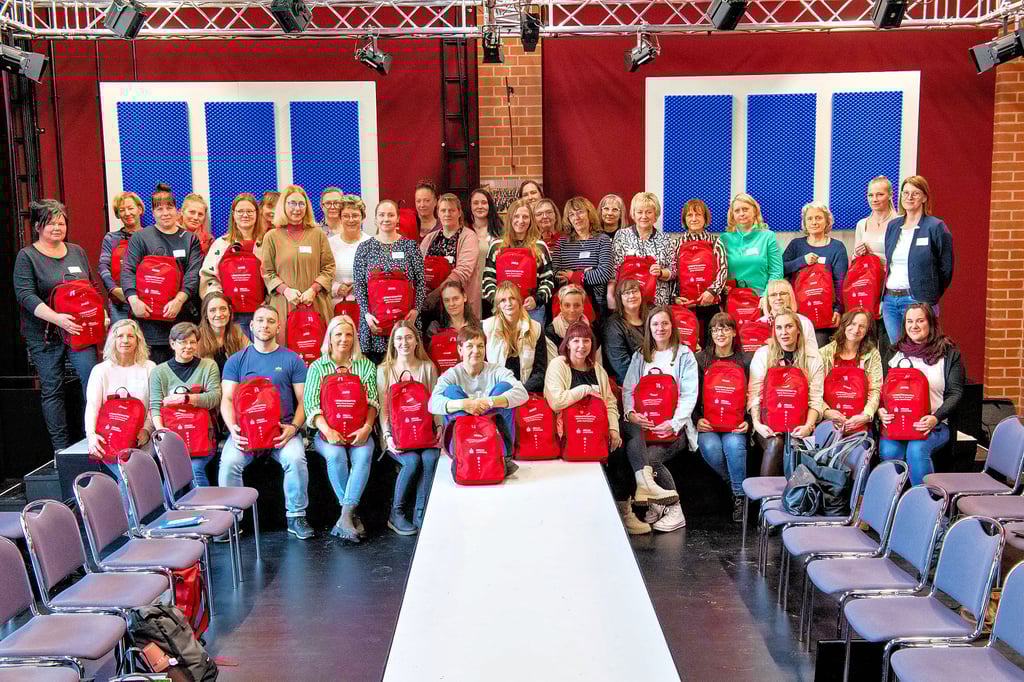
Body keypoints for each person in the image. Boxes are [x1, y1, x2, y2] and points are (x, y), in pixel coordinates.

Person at [219, 305, 313, 540]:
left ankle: (296, 516)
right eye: (260, 320)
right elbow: (227, 399)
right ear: (251, 325)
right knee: (229, 462)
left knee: (296, 459)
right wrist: (233, 430)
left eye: (271, 321)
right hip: (246, 432)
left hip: (282, 432)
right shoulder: (236, 361)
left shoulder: (292, 359)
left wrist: (294, 428)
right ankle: (231, 521)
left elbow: (304, 400)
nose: (265, 325)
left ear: (278, 327)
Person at [14, 199, 100, 451]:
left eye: (61, 223)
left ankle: (92, 440)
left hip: (80, 332)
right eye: (50, 223)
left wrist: (100, 313)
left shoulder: (77, 251)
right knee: (53, 389)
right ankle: (60, 449)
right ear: (38, 227)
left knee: (91, 381)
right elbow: (25, 296)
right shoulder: (27, 256)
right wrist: (57, 318)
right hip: (45, 335)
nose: (57, 228)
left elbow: (92, 286)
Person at [544, 322, 643, 534]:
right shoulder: (558, 365)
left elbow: (610, 403)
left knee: (628, 435)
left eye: (586, 340)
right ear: (567, 344)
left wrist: (613, 429)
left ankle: (631, 501)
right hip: (569, 433)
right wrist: (586, 389)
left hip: (596, 428)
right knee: (618, 450)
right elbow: (556, 402)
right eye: (576, 340)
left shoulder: (597, 368)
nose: (581, 345)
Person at [622, 306, 698, 532]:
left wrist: (674, 423)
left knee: (650, 460)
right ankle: (657, 505)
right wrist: (631, 414)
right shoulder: (640, 355)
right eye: (655, 324)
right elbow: (629, 389)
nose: (660, 328)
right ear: (648, 327)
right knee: (636, 455)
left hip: (674, 429)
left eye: (665, 323)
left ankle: (675, 509)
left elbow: (689, 394)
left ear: (672, 326)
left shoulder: (684, 355)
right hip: (645, 428)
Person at [304, 315, 379, 542]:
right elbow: (311, 405)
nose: (343, 339)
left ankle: (344, 517)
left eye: (348, 334)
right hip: (326, 432)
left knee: (364, 454)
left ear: (355, 338)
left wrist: (367, 428)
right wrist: (328, 431)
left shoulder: (365, 366)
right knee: (336, 455)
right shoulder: (317, 367)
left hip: (360, 430)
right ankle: (351, 515)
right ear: (329, 337)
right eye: (338, 334)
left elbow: (372, 402)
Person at [879, 303, 963, 485]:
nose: (914, 326)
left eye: (920, 321)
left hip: (933, 425)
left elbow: (955, 393)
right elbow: (881, 388)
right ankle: (894, 499)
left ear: (931, 323)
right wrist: (881, 410)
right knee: (889, 451)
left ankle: (925, 499)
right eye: (909, 321)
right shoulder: (894, 352)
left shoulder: (948, 353)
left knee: (916, 450)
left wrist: (936, 418)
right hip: (897, 424)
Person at [428, 326, 528, 477]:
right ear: (460, 350)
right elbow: (432, 404)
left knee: (504, 388)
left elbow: (522, 393)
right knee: (450, 392)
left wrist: (491, 402)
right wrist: (464, 404)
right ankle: (463, 455)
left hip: (494, 439)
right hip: (464, 443)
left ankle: (503, 456)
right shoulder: (452, 374)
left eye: (480, 346)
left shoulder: (496, 370)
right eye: (470, 346)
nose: (476, 351)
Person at [120, 183, 204, 364]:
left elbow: (193, 274)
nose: (165, 213)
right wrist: (133, 300)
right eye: (159, 209)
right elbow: (127, 270)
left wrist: (179, 301)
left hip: (181, 318)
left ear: (177, 210)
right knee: (154, 371)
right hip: (149, 321)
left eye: (169, 208)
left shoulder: (190, 239)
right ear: (152, 212)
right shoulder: (140, 237)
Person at [377, 322, 441, 533]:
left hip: (424, 433)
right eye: (399, 338)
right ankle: (396, 513)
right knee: (412, 461)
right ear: (393, 343)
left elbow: (434, 403)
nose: (404, 342)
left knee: (430, 458)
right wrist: (387, 436)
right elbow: (383, 410)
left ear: (416, 341)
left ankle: (421, 512)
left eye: (409, 337)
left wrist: (439, 427)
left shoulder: (427, 367)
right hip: (396, 435)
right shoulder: (384, 370)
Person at [747, 309, 825, 477]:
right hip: (767, 423)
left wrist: (808, 426)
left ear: (798, 329)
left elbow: (815, 399)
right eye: (779, 327)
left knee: (795, 444)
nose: (784, 332)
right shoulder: (763, 354)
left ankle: (796, 493)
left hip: (800, 423)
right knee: (776, 443)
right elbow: (754, 395)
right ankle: (765, 493)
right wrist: (757, 424)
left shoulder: (813, 357)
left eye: (789, 326)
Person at [881, 175, 954, 344]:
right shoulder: (893, 226)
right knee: (898, 350)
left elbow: (946, 268)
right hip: (890, 301)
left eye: (915, 193)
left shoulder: (935, 226)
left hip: (918, 300)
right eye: (905, 193)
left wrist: (930, 293)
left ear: (924, 197)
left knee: (921, 350)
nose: (909, 197)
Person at [693, 313, 751, 522]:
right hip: (708, 423)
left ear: (734, 332)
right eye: (716, 329)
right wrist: (697, 419)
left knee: (734, 446)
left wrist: (748, 422)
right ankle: (737, 484)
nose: (721, 333)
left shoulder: (745, 360)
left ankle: (739, 497)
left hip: (736, 422)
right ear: (710, 333)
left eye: (726, 328)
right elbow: (691, 393)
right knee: (711, 448)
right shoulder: (700, 360)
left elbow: (754, 394)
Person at [353, 200, 427, 363]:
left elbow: (421, 283)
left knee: (406, 368)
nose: (386, 219)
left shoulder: (410, 247)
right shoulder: (364, 248)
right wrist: (366, 314)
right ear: (375, 219)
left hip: (406, 322)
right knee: (378, 370)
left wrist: (416, 310)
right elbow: (359, 285)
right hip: (374, 324)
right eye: (382, 215)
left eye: (391, 215)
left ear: (398, 218)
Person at [262, 185, 336, 345]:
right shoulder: (271, 237)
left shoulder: (318, 235)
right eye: (292, 203)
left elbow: (329, 267)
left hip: (315, 303)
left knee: (316, 349)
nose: (297, 208)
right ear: (283, 205)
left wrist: (313, 290)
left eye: (302, 204)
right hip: (284, 304)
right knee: (285, 350)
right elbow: (267, 272)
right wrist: (285, 290)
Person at [150, 322, 222, 487]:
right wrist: (161, 432)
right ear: (172, 344)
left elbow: (215, 397)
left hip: (203, 436)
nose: (188, 346)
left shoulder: (208, 366)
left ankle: (205, 504)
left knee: (195, 469)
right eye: (183, 342)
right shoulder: (159, 371)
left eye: (192, 342)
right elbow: (155, 406)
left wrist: (185, 399)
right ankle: (172, 504)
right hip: (172, 436)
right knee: (172, 472)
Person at [85, 319, 155, 466]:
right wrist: (91, 435)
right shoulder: (100, 370)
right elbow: (92, 406)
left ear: (138, 340)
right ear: (113, 340)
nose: (125, 340)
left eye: (130, 336)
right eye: (120, 336)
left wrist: (147, 430)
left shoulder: (149, 368)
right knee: (128, 475)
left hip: (141, 439)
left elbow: (154, 405)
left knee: (138, 472)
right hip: (110, 439)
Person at [782, 201, 849, 347]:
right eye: (810, 219)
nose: (814, 222)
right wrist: (802, 261)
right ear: (805, 223)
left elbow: (840, 282)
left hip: (825, 314)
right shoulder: (796, 245)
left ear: (827, 221)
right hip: (797, 312)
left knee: (820, 351)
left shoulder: (837, 247)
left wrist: (838, 309)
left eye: (818, 218)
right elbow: (781, 269)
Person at [199, 192, 267, 336]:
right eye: (240, 211)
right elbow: (208, 277)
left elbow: (274, 274)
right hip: (231, 317)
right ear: (233, 215)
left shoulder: (267, 243)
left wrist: (268, 301)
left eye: (250, 211)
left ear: (257, 214)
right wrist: (220, 303)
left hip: (262, 313)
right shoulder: (221, 244)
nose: (245, 215)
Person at [481, 198, 554, 327]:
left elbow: (548, 281)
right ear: (509, 218)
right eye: (516, 216)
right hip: (503, 310)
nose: (521, 221)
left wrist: (536, 300)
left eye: (525, 217)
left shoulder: (540, 246)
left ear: (531, 220)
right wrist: (499, 301)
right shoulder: (497, 246)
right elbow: (488, 280)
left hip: (532, 310)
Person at [673, 198, 729, 346]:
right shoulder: (677, 244)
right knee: (688, 347)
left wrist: (712, 292)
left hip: (711, 304)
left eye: (698, 215)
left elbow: (723, 269)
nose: (694, 219)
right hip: (686, 306)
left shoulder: (716, 242)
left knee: (713, 345)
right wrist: (675, 297)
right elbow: (673, 273)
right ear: (684, 219)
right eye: (689, 215)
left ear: (705, 218)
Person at [818, 309, 882, 434]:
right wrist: (825, 411)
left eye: (862, 326)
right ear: (844, 324)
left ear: (867, 331)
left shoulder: (872, 354)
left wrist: (866, 415)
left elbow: (875, 389)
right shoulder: (824, 353)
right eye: (852, 324)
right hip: (829, 423)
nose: (856, 330)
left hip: (860, 424)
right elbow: (815, 390)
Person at [611, 192, 677, 306]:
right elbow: (614, 270)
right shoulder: (621, 235)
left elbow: (674, 272)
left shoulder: (665, 239)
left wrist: (661, 273)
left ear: (655, 214)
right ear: (633, 214)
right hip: (628, 301)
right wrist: (612, 297)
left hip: (657, 303)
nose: (644, 216)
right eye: (639, 212)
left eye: (649, 212)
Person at [554, 196, 615, 321]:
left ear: (589, 213)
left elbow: (605, 273)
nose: (576, 218)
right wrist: (586, 272)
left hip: (596, 302)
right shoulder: (562, 242)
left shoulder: (602, 240)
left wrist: (573, 276)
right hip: (567, 303)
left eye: (580, 212)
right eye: (571, 215)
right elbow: (557, 275)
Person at [419, 193, 480, 315]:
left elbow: (463, 272)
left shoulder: (469, 237)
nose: (447, 214)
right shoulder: (429, 238)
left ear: (459, 213)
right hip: (430, 306)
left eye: (451, 210)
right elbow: (418, 267)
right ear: (438, 213)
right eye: (443, 210)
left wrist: (437, 293)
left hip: (460, 306)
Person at [483, 282, 549, 394]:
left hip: (526, 391)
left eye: (512, 298)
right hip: (495, 392)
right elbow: (481, 369)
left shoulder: (536, 328)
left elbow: (540, 372)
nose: (508, 303)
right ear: (498, 305)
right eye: (503, 300)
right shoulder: (486, 327)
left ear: (519, 301)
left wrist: (520, 392)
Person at [719, 192, 782, 296]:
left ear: (755, 211)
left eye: (745, 209)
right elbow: (718, 272)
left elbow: (776, 272)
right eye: (737, 211)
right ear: (732, 215)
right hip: (732, 299)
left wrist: (766, 296)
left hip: (761, 298)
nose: (741, 213)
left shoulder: (768, 236)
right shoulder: (724, 239)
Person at [99, 191, 145, 323]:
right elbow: (103, 267)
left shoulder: (151, 236)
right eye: (122, 210)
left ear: (140, 209)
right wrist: (114, 290)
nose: (127, 213)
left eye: (130, 208)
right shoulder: (111, 238)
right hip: (119, 305)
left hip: (145, 301)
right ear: (118, 214)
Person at [326, 194, 371, 312]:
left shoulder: (371, 244)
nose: (351, 220)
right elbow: (321, 275)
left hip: (366, 309)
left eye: (355, 215)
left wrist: (361, 286)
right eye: (346, 216)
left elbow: (378, 277)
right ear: (340, 218)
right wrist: (336, 288)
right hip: (335, 308)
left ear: (362, 217)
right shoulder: (329, 244)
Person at [602, 279, 649, 385]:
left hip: (658, 373)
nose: (632, 296)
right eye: (626, 293)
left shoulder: (650, 316)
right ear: (620, 298)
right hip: (632, 381)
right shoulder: (613, 325)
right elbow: (621, 365)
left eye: (635, 291)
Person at [757, 279, 819, 354]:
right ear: (768, 299)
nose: (778, 298)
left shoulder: (804, 322)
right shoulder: (759, 323)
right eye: (773, 295)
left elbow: (813, 353)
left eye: (783, 294)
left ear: (790, 296)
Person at [196, 291, 250, 376]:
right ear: (206, 314)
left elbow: (251, 357)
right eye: (212, 310)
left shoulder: (238, 331)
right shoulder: (196, 337)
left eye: (223, 309)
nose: (218, 314)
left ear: (229, 311)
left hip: (235, 381)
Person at [469, 187, 503, 320]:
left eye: (484, 202)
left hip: (495, 292)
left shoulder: (500, 230)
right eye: (475, 203)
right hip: (472, 292)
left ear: (490, 205)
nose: (480, 206)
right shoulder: (465, 230)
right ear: (470, 206)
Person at [544, 284, 599, 360]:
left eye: (577, 305)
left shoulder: (593, 330)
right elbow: (552, 364)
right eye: (567, 305)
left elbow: (597, 362)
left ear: (583, 306)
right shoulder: (551, 332)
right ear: (560, 306)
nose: (572, 310)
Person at [855, 175, 898, 266]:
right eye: (871, 195)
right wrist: (857, 253)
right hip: (869, 274)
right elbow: (855, 259)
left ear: (890, 195)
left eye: (880, 195)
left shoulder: (899, 222)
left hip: (893, 273)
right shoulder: (861, 224)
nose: (874, 199)